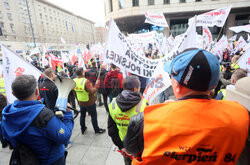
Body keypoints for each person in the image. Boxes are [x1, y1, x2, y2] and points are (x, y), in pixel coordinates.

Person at [123, 49, 249, 164]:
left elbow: (131, 150)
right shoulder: (241, 114)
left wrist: (166, 112)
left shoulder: (145, 121)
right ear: (214, 85)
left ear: (176, 86)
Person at [1, 75, 74, 164]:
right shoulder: (44, 115)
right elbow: (65, 137)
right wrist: (68, 114)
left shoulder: (7, 113)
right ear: (37, 91)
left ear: (13, 93)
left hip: (24, 158)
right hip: (51, 160)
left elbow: (8, 139)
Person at [108, 76, 148, 165]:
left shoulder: (113, 104)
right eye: (139, 87)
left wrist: (121, 147)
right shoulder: (144, 105)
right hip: (140, 146)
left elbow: (111, 129)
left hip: (124, 144)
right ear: (135, 89)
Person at [73, 67, 106, 134]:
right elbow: (92, 91)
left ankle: (83, 128)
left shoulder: (74, 81)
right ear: (83, 73)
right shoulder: (86, 81)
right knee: (93, 115)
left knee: (82, 115)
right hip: (89, 102)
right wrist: (97, 85)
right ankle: (96, 130)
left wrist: (78, 101)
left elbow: (74, 93)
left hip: (81, 101)